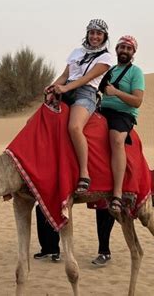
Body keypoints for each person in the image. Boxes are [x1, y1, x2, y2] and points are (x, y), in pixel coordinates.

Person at [47, 19, 113, 194]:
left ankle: (84, 173)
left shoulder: (106, 57)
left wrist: (66, 87)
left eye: (99, 33)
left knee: (74, 127)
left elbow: (88, 78)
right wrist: (52, 87)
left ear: (104, 36)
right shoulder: (77, 52)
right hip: (66, 90)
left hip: (86, 93)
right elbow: (65, 75)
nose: (95, 36)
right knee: (39, 118)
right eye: (92, 32)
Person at [98, 35, 145, 214]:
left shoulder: (136, 72)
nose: (124, 51)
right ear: (117, 49)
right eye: (122, 47)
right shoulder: (109, 70)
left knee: (117, 140)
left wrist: (116, 92)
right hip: (103, 110)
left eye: (128, 48)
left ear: (133, 52)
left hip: (123, 114)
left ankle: (117, 192)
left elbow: (137, 101)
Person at [88, 200, 115, 266]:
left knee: (105, 227)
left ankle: (104, 253)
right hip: (101, 199)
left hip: (112, 200)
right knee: (100, 226)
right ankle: (105, 253)